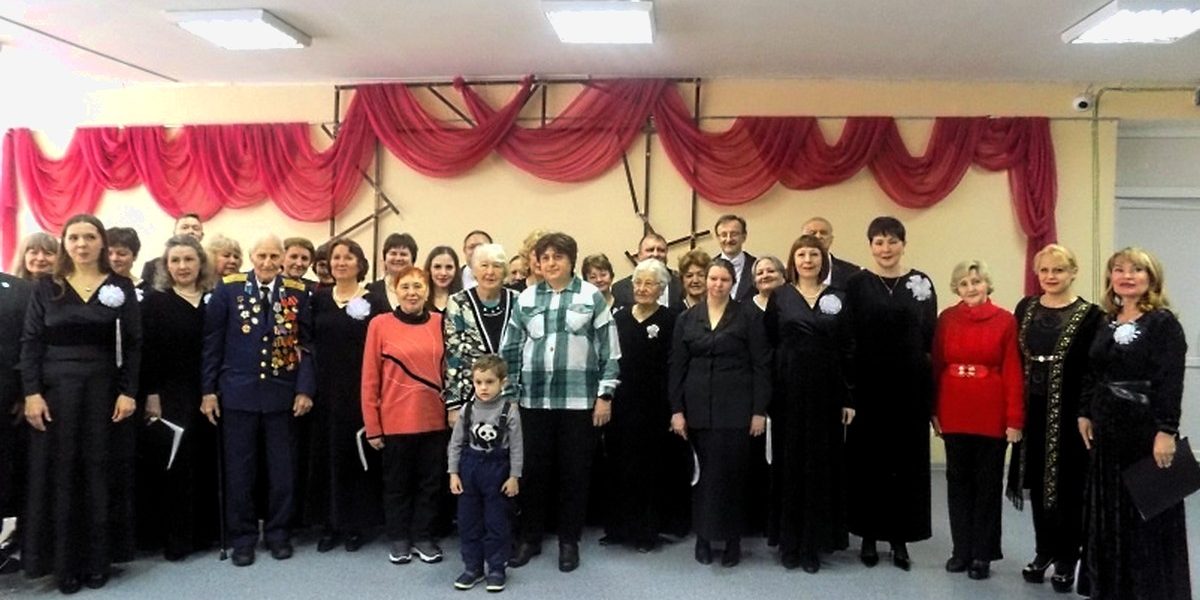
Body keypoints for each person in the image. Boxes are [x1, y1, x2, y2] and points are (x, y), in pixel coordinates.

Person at [20, 214, 142, 593]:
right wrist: (31, 393)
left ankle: (97, 559)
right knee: (60, 475)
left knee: (98, 472)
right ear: (65, 243)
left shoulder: (120, 286)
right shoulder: (46, 286)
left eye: (90, 237)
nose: (82, 244)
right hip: (55, 395)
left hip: (103, 393)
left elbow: (134, 344)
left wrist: (128, 391)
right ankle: (64, 564)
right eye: (74, 237)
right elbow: (31, 342)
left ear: (102, 242)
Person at [500, 232, 620, 573]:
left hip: (579, 403)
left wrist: (605, 396)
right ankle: (530, 538)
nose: (551, 263)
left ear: (571, 260)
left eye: (558, 257)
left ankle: (569, 542)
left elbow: (610, 351)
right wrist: (511, 398)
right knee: (533, 473)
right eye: (546, 257)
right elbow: (510, 350)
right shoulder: (526, 298)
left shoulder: (590, 296)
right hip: (533, 402)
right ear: (538, 262)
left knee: (574, 475)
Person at [1078, 247, 1190, 600]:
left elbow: (1170, 381)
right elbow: (1092, 371)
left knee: (1147, 513)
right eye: (1119, 269)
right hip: (1107, 432)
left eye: (1137, 270)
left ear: (1151, 278)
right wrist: (1084, 412)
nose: (1127, 276)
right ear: (1110, 277)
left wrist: (1166, 431)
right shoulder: (1105, 321)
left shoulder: (1163, 324)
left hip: (1143, 433)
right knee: (1109, 511)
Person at [201, 235, 315, 567]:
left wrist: (305, 389)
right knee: (240, 472)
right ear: (251, 256)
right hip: (238, 394)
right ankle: (243, 538)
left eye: (274, 256)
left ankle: (279, 534)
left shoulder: (297, 292)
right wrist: (208, 390)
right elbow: (213, 342)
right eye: (261, 255)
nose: (267, 262)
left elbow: (307, 345)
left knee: (282, 471)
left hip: (282, 394)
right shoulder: (229, 289)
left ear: (282, 258)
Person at [1006, 244, 1102, 593]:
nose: (1050, 276)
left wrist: (1087, 411)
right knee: (1037, 483)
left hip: (1071, 415)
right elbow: (1014, 359)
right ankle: (1043, 550)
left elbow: (1094, 369)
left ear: (1073, 272)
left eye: (1058, 270)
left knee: (1068, 487)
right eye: (1044, 270)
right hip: (1032, 411)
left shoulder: (1091, 315)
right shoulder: (1026, 308)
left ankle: (1066, 558)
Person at [843, 216, 936, 570]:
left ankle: (900, 539)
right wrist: (849, 391)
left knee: (905, 464)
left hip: (909, 390)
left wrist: (929, 396)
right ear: (870, 246)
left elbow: (929, 339)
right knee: (868, 463)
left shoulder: (921, 283)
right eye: (879, 242)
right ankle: (868, 535)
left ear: (903, 244)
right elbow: (849, 338)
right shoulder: (856, 284)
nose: (886, 249)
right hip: (868, 388)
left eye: (892, 241)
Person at [669, 258, 770, 568]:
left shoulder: (749, 316)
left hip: (736, 410)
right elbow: (676, 366)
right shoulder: (687, 318)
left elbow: (761, 365)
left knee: (732, 477)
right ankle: (703, 537)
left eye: (724, 279)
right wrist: (676, 410)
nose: (717, 284)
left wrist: (759, 411)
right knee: (702, 478)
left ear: (732, 283)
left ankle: (732, 540)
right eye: (713, 278)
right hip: (697, 409)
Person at [765, 235, 855, 573]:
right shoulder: (781, 297)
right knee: (789, 466)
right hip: (788, 394)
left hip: (826, 395)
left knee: (820, 467)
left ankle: (813, 544)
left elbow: (848, 348)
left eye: (813, 254)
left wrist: (848, 397)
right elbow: (769, 344)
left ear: (823, 259)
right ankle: (789, 542)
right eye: (801, 254)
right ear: (793, 260)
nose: (807, 260)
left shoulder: (838, 297)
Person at [931, 260, 1024, 581]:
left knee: (987, 486)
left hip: (991, 413)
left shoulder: (1006, 320)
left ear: (987, 284)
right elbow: (937, 365)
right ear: (956, 288)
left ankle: (983, 554)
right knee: (957, 484)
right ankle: (961, 550)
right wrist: (933, 411)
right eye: (964, 283)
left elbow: (1013, 370)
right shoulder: (946, 319)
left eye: (976, 281)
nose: (971, 288)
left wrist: (1014, 419)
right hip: (954, 410)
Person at [137, 235, 218, 561]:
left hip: (210, 391)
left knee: (207, 460)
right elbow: (147, 353)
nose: (182, 266)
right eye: (175, 260)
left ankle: (205, 533)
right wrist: (152, 394)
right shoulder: (155, 303)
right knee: (177, 464)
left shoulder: (215, 299)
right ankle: (177, 538)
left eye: (189, 259)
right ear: (166, 266)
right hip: (171, 393)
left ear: (201, 263)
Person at [361, 266, 448, 566]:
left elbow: (449, 371)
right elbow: (370, 378)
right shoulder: (380, 324)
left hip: (434, 419)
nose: (412, 293)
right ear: (395, 291)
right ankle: (398, 538)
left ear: (427, 290)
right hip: (395, 421)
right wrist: (373, 425)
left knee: (430, 484)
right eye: (406, 287)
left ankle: (423, 536)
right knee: (397, 485)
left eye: (418, 286)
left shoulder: (440, 322)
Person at [603, 259, 684, 551]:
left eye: (649, 283)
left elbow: (675, 365)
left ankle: (646, 532)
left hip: (655, 406)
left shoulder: (672, 319)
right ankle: (618, 528)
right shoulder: (619, 318)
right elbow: (609, 359)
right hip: (622, 404)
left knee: (650, 468)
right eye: (638, 282)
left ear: (661, 288)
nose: (642, 288)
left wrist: (674, 407)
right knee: (619, 464)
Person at [310, 239, 383, 553]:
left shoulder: (374, 300)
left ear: (360, 264)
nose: (340, 262)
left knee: (355, 457)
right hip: (325, 391)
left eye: (348, 257)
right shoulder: (319, 299)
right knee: (327, 456)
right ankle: (330, 524)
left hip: (358, 391)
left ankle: (355, 525)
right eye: (335, 257)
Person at [448, 355, 523, 593]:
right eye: (478, 382)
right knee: (468, 522)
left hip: (497, 470)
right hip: (469, 469)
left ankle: (497, 568)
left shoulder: (510, 410)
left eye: (489, 382)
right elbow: (455, 443)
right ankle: (473, 568)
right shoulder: (467, 410)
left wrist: (514, 476)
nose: (483, 388)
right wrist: (453, 473)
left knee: (496, 522)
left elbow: (517, 447)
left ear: (502, 382)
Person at [443, 243, 519, 422]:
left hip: (510, 397)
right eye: (484, 265)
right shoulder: (458, 302)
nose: (490, 272)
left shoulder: (517, 300)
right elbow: (453, 355)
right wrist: (454, 405)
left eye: (497, 266)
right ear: (474, 271)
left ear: (504, 271)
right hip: (471, 396)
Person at [0, 270, 33, 574]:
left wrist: (26, 392)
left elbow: (29, 343)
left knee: (6, 472)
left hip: (7, 398)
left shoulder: (19, 289)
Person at [611, 232, 685, 311]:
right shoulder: (620, 288)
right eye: (650, 250)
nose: (655, 254)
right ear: (639, 255)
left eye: (661, 250)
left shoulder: (681, 284)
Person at [141, 213, 204, 285]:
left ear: (202, 236)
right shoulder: (152, 267)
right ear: (174, 233)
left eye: (195, 228)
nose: (190, 231)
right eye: (184, 227)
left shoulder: (210, 266)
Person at [801, 217, 862, 288]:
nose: (818, 236)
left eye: (823, 233)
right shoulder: (791, 272)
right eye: (813, 233)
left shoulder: (853, 273)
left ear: (831, 239)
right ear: (802, 239)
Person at [366, 232, 418, 313]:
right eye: (393, 253)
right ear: (385, 258)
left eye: (403, 254)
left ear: (413, 260)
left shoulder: (421, 288)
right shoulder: (372, 290)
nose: (398, 258)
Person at [713, 215, 756, 302]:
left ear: (744, 237)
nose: (728, 239)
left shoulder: (757, 267)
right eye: (724, 235)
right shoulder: (707, 267)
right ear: (718, 238)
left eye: (734, 234)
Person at [425, 246, 461, 313]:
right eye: (437, 267)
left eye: (449, 267)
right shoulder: (419, 300)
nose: (443, 273)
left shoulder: (465, 301)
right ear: (429, 269)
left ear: (456, 270)